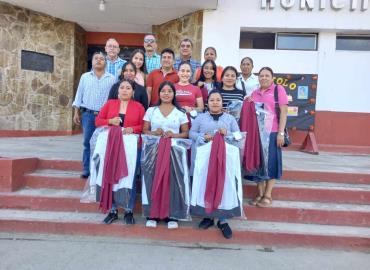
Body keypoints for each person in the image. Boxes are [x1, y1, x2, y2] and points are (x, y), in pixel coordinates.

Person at [189, 90, 242, 239]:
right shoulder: (200, 118)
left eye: (218, 100)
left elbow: (238, 136)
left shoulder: (230, 119)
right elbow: (191, 133)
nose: (215, 102)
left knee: (222, 186)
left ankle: (223, 220)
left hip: (223, 160)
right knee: (207, 184)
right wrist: (202, 136)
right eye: (212, 100)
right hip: (205, 160)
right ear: (207, 103)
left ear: (222, 102)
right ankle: (208, 216)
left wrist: (228, 134)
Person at [94, 78, 145, 224]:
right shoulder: (110, 104)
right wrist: (110, 121)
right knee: (110, 175)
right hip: (111, 146)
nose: (124, 90)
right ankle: (113, 210)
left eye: (128, 88)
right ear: (117, 91)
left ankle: (129, 210)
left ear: (133, 92)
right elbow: (97, 121)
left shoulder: (139, 107)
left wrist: (133, 129)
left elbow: (144, 125)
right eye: (122, 87)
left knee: (129, 177)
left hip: (131, 148)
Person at [142, 81, 189, 229]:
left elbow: (186, 133)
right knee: (152, 180)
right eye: (163, 91)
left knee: (172, 181)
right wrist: (154, 132)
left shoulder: (180, 112)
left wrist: (174, 134)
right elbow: (144, 130)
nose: (166, 94)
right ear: (159, 93)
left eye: (169, 91)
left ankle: (172, 215)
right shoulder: (151, 111)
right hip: (153, 150)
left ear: (174, 94)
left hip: (173, 151)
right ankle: (152, 214)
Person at [248, 67, 288, 207]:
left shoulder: (278, 90)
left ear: (272, 78)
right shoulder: (255, 93)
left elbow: (284, 112)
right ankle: (260, 193)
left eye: (267, 75)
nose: (264, 78)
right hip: (257, 134)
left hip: (273, 133)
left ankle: (268, 195)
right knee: (259, 164)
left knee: (271, 164)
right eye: (261, 75)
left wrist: (281, 133)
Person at [72, 52, 115, 179]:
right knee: (87, 142)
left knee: (103, 143)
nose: (99, 60)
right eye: (96, 58)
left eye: (102, 59)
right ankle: (87, 169)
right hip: (88, 115)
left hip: (104, 116)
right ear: (92, 61)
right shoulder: (85, 77)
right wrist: (76, 111)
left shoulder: (111, 78)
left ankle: (101, 168)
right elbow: (79, 94)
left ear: (105, 62)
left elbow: (113, 99)